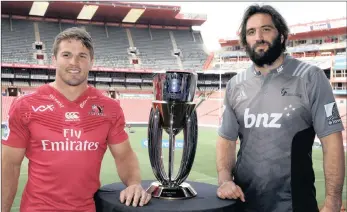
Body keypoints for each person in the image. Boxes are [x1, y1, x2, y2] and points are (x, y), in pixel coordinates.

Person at [2, 27, 151, 212]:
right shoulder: (25, 105)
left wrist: (134, 183)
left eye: (82, 56)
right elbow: (9, 165)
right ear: (54, 59)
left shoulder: (109, 108)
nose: (74, 62)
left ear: (91, 62)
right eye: (66, 55)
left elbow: (124, 155)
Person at [216, 4, 345, 212]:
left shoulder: (311, 78)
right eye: (251, 32)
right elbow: (226, 140)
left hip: (295, 205)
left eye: (266, 29)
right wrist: (224, 180)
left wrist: (332, 203)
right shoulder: (235, 85)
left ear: (283, 36)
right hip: (242, 205)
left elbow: (332, 142)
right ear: (245, 41)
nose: (258, 36)